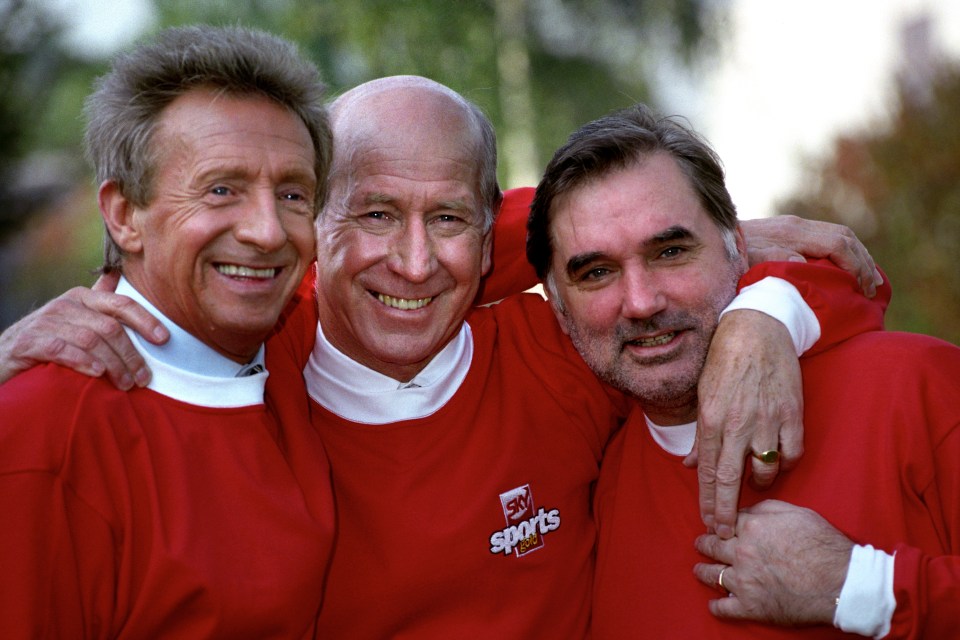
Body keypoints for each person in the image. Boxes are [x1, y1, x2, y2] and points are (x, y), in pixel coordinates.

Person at [0, 75, 883, 637]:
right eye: (373, 214)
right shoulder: (258, 369)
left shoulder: (561, 354)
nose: (415, 263)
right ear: (316, 227)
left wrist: (763, 303)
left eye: (451, 221)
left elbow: (847, 278)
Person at [524, 102, 960, 638]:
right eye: (596, 271)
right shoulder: (595, 485)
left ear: (737, 247)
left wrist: (860, 586)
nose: (640, 301)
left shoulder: (914, 387)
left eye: (670, 251)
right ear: (558, 308)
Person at [0, 25, 336, 637]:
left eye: (293, 194)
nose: (267, 230)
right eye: (221, 189)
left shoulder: (292, 344)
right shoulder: (46, 434)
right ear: (126, 215)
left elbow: (438, 250)